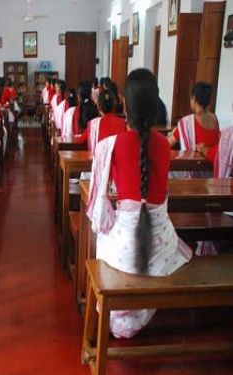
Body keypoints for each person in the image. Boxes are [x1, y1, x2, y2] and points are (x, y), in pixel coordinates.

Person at [86, 68, 192, 338]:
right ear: (155, 104)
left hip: (125, 245)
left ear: (125, 104)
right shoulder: (164, 145)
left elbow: (99, 211)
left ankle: (117, 314)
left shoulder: (111, 145)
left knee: (99, 240)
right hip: (162, 245)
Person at [168, 82, 220, 163]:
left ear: (194, 98)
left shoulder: (186, 123)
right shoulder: (214, 118)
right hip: (213, 168)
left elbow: (169, 143)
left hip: (192, 169)